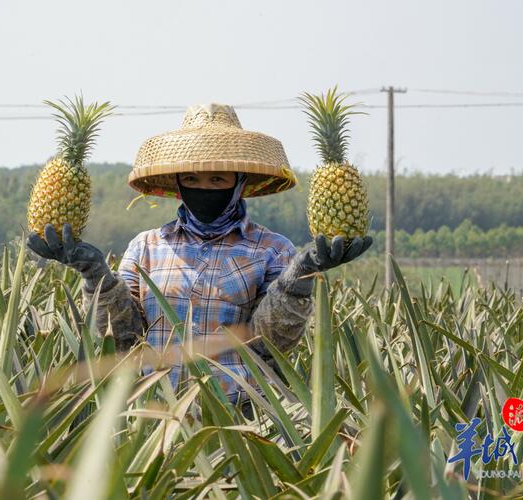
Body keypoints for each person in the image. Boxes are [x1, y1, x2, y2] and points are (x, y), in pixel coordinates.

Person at [27, 103, 372, 413]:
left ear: (239, 182)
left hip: (244, 421)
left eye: (217, 178)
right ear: (178, 183)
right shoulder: (145, 247)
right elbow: (122, 341)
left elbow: (269, 345)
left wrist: (300, 276)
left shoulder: (272, 249)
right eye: (192, 178)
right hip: (152, 421)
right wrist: (95, 275)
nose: (203, 187)